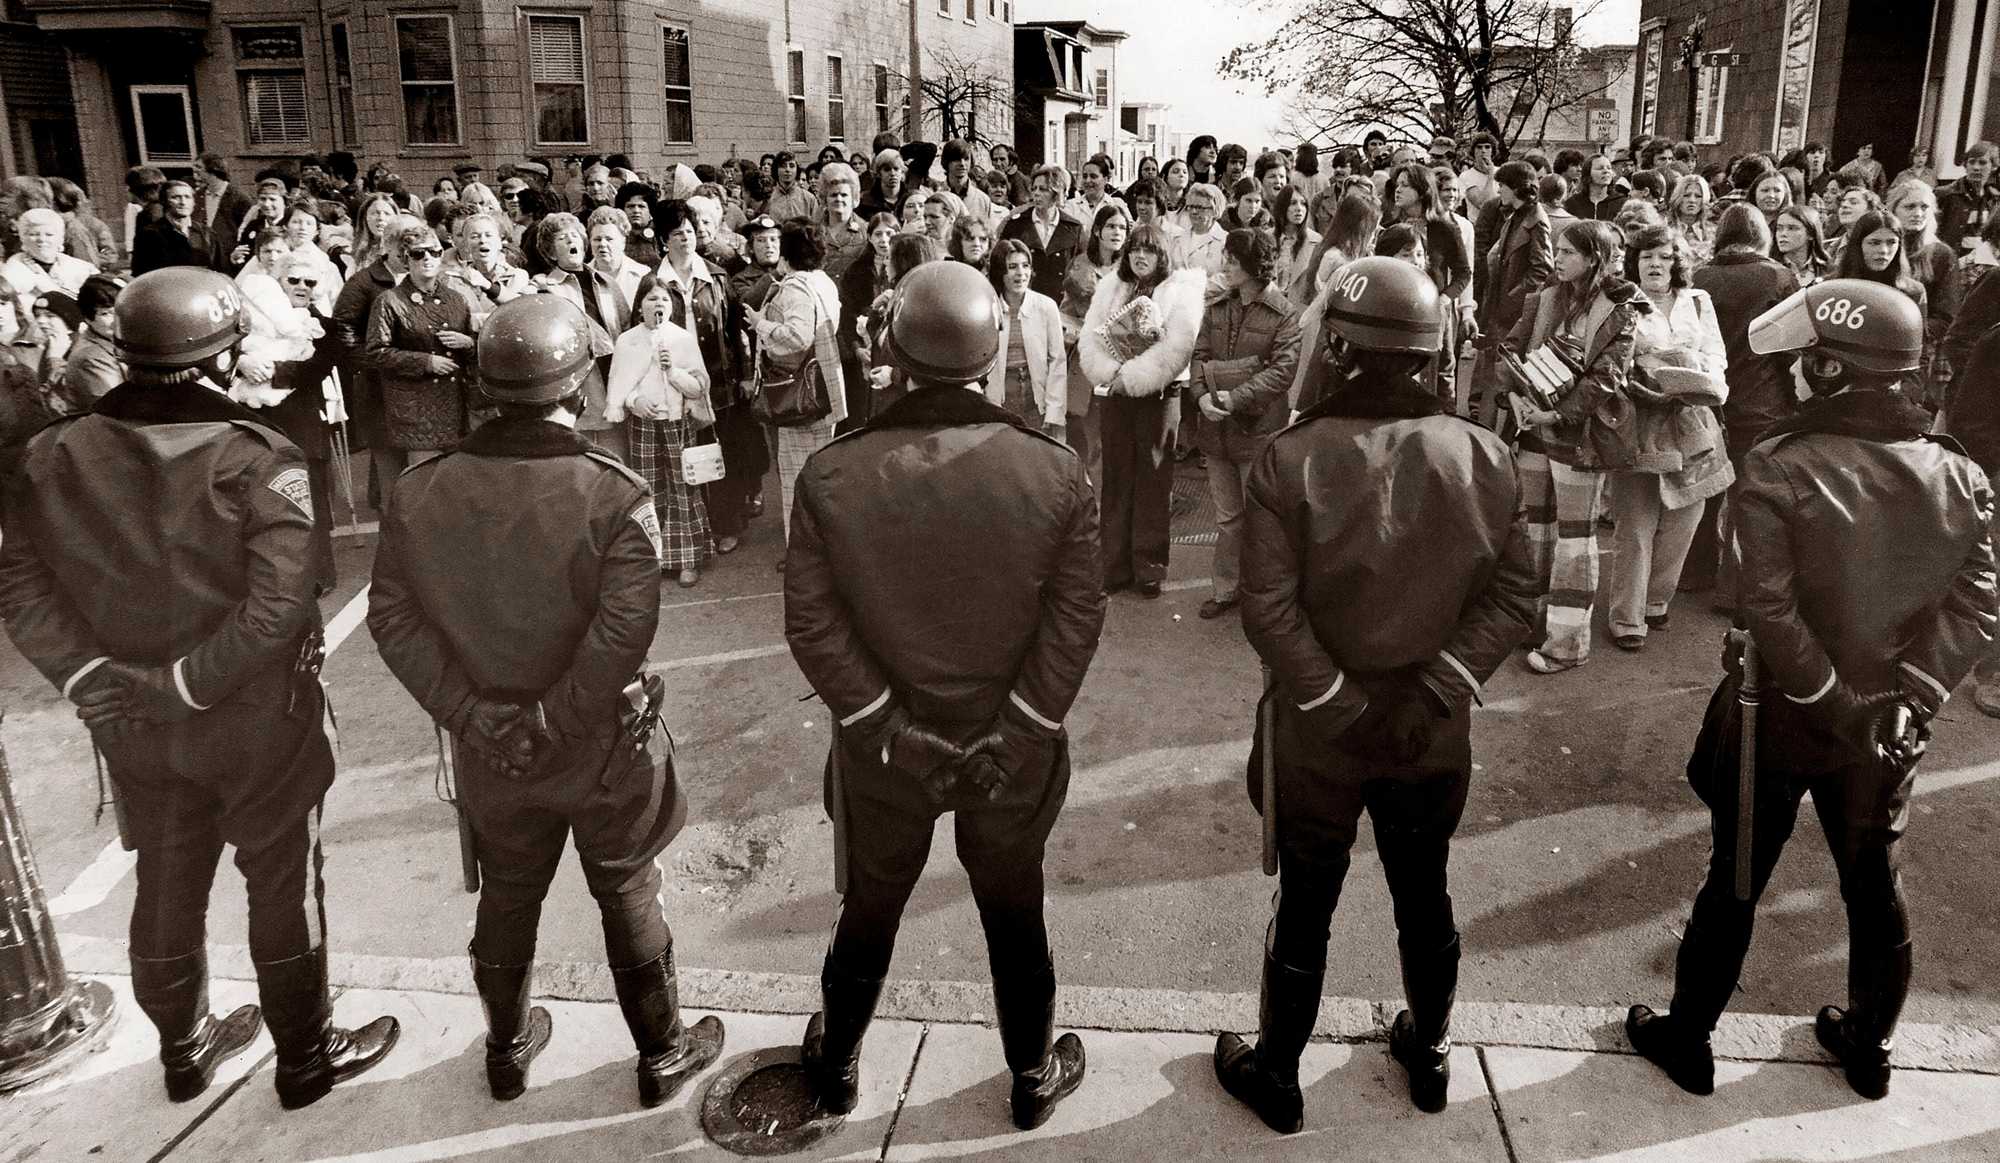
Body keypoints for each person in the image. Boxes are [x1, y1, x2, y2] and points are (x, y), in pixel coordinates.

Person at [0, 267, 398, 1110]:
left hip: (127, 715)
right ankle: (306, 1055)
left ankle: (183, 1051)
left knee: (168, 878)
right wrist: (181, 682)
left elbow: (22, 586)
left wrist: (91, 676)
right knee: (282, 880)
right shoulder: (253, 454)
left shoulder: (53, 452)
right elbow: (278, 606)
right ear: (221, 357)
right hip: (251, 711)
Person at [1626, 277, 1995, 1101]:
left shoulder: (1781, 464)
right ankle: (1870, 1045)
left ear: (1828, 372)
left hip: (1777, 710)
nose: (1791, 374)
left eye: (1803, 362)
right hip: (1890, 721)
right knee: (1874, 878)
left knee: (1737, 873)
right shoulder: (1957, 473)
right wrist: (1911, 697)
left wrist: (1828, 697)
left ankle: (1690, 1039)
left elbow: (1767, 604)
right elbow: (1977, 601)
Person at [367, 294, 725, 1108]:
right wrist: (554, 717)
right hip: (599, 739)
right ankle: (661, 1054)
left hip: (493, 742)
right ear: (579, 389)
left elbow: (391, 617)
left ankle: (505, 1049)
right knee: (628, 885)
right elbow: (625, 629)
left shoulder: (422, 492)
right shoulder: (613, 492)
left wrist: (474, 713)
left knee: (508, 890)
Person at [1217, 255, 1537, 1132]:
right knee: (1423, 890)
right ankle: (1430, 1053)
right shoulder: (1487, 454)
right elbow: (1514, 598)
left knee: (1308, 901)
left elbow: (1268, 610)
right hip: (1428, 729)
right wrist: (1435, 687)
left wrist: (1337, 700)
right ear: (1432, 355)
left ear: (1345, 354)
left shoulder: (1290, 456)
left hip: (1321, 730)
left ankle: (1278, 1072)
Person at [782, 259, 1102, 1132]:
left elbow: (813, 628)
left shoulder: (832, 474)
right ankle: (1031, 1073)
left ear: (893, 349)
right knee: (1014, 905)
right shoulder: (1055, 471)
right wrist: (1021, 729)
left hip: (887, 751)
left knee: (872, 903)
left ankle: (839, 1065)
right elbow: (1075, 623)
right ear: (994, 347)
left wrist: (888, 727)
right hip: (1008, 745)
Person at [1504, 221, 1639, 673]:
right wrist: (1516, 397)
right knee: (1533, 529)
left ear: (1593, 257)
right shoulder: (1545, 297)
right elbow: (1509, 350)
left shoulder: (1622, 307)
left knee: (1575, 541)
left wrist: (1557, 414)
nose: (1557, 259)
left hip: (1577, 435)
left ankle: (1566, 645)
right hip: (1534, 430)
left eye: (1567, 252)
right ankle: (1530, 623)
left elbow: (1607, 377)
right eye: (1557, 251)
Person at [1605, 227, 1733, 651]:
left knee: (1685, 518)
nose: (1654, 264)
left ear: (1677, 262)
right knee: (1636, 524)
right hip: (1639, 418)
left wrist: (1708, 380)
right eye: (1645, 257)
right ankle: (1626, 617)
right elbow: (1609, 359)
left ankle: (1657, 600)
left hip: (1693, 418)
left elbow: (1717, 354)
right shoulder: (1623, 302)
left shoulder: (1698, 302)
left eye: (1662, 256)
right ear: (1634, 263)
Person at [1080, 224, 1207, 598]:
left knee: (1153, 478)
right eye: (1135, 249)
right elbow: (1092, 335)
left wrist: (1134, 377)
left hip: (1160, 395)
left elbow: (1178, 349)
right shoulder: (1111, 287)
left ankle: (1149, 567)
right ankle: (1114, 564)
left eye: (1149, 251)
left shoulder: (1182, 291)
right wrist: (1110, 375)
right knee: (1117, 475)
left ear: (1162, 255)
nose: (1140, 256)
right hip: (1116, 392)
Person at [1687, 205, 1800, 605]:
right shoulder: (1780, 277)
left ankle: (1692, 572)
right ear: (1762, 236)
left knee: (1705, 488)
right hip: (1762, 399)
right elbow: (1790, 348)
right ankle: (1733, 587)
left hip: (1708, 396)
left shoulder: (1700, 276)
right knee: (1749, 498)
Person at [1190, 228, 1301, 621]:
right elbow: (1199, 354)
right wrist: (1202, 395)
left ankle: (1264, 596)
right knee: (1227, 519)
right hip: (1216, 432)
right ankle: (1226, 588)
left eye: (1233, 260)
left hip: (1257, 433)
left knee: (1263, 521)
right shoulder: (1218, 307)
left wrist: (1233, 397)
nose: (1225, 266)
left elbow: (1282, 371)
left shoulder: (1284, 313)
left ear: (1254, 265)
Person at [743, 219, 846, 551]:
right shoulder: (823, 282)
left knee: (796, 479)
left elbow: (797, 337)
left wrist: (763, 325)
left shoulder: (795, 287)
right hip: (822, 387)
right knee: (819, 476)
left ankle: (803, 552)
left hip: (797, 393)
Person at [607, 273, 713, 588]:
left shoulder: (682, 338)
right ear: (639, 306)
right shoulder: (627, 340)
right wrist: (633, 400)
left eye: (664, 299)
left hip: (679, 422)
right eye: (652, 298)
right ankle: (651, 558)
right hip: (643, 424)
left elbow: (698, 388)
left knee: (684, 487)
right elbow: (619, 383)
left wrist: (673, 371)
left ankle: (687, 558)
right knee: (649, 489)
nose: (659, 304)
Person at [365, 224, 476, 464]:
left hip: (454, 406)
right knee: (423, 482)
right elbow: (376, 353)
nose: (427, 258)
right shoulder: (389, 301)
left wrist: (468, 343)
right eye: (418, 253)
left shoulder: (457, 300)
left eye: (434, 252)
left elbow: (474, 357)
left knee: (453, 481)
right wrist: (425, 361)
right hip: (415, 409)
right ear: (406, 260)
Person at [1472, 162, 1553, 425]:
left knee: (1504, 378)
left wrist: (1511, 300)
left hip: (1512, 313)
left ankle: (1500, 437)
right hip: (1500, 306)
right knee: (1493, 376)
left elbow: (1541, 272)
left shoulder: (1536, 222)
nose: (1499, 191)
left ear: (1517, 187)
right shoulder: (1515, 216)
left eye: (1503, 186)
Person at [1058, 203, 1130, 483]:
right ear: (1098, 230)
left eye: (1122, 227)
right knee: (1086, 441)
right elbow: (1064, 313)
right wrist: (1077, 331)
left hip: (1120, 363)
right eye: (1111, 226)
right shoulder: (1079, 266)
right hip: (1086, 363)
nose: (1117, 232)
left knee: (1116, 440)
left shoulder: (1130, 268)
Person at [986, 238, 1068, 438]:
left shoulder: (1046, 306)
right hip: (1001, 394)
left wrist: (1054, 411)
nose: (1020, 273)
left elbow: (1057, 361)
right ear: (1000, 272)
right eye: (1012, 267)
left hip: (1035, 394)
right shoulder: (988, 306)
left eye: (1025, 266)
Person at [1000, 166, 1085, 301]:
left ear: (1056, 193)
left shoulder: (1074, 228)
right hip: (1024, 301)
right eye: (1034, 189)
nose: (1036, 193)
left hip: (1062, 305)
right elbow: (1001, 266)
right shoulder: (1016, 225)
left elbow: (1081, 270)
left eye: (1043, 189)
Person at [53, 274, 123, 412]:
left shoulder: (117, 341)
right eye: (106, 314)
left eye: (121, 310)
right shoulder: (91, 357)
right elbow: (118, 410)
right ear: (88, 319)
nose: (117, 320)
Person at [131, 181, 217, 277]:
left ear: (194, 202)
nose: (183, 202)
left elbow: (220, 270)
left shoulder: (207, 233)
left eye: (187, 197)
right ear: (164, 201)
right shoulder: (148, 235)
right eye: (176, 197)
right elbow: (141, 274)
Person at [1938, 142, 1998, 258]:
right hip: (1949, 262)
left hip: (1980, 264)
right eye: (1971, 162)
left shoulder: (1994, 199)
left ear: (1994, 167)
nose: (1976, 167)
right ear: (1965, 165)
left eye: (1982, 162)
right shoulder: (1945, 194)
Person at [1773, 204, 1832, 288]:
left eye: (1792, 228)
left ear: (1811, 234)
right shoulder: (1769, 268)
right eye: (1779, 228)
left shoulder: (1828, 269)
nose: (1783, 234)